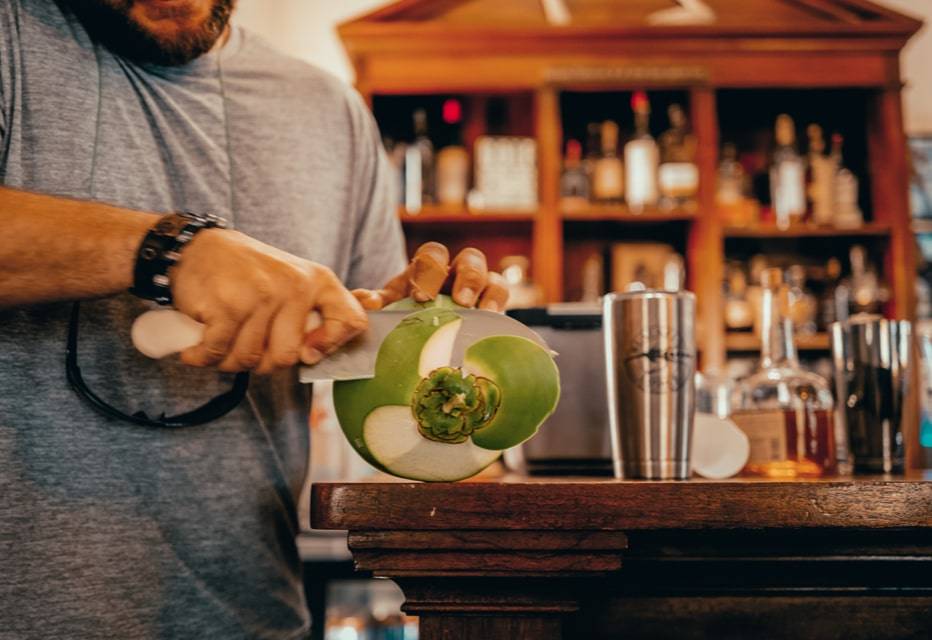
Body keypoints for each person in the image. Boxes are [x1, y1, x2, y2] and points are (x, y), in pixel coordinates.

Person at [0, 1, 507, 638]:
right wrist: (167, 250)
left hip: (256, 621)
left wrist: (427, 335)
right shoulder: (11, 41)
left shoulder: (330, 114)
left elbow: (377, 377)